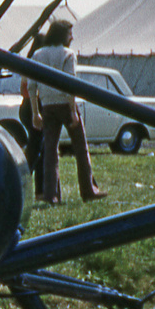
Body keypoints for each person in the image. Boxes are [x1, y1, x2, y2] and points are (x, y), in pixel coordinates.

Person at [31, 19, 109, 205]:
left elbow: (32, 86)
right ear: (62, 35)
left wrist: (35, 113)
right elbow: (70, 83)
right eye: (69, 33)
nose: (72, 37)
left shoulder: (38, 54)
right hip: (66, 105)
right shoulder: (68, 54)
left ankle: (51, 196)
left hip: (47, 107)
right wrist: (73, 111)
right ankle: (88, 190)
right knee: (81, 149)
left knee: (50, 153)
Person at [19, 33, 46, 202]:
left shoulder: (27, 62)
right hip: (33, 107)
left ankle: (40, 191)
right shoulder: (36, 63)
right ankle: (21, 184)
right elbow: (26, 89)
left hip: (25, 107)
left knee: (40, 150)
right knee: (35, 150)